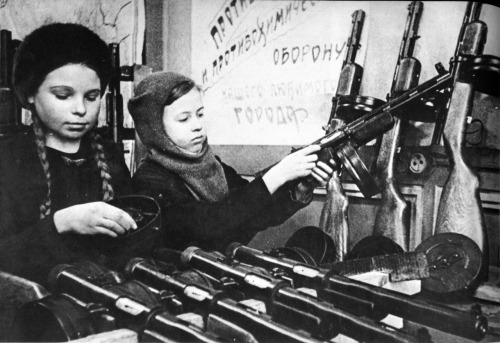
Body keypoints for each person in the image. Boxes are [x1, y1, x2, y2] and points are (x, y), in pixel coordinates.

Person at [128, 71, 334, 253]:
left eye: (200, 114)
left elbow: (256, 213)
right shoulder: (149, 180)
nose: (197, 126)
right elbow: (210, 225)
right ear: (154, 128)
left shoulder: (212, 165)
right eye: (184, 119)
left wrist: (300, 187)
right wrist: (278, 175)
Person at [0, 23, 137, 287]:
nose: (80, 109)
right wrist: (61, 223)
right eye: (63, 95)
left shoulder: (109, 154)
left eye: (92, 96)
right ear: (29, 94)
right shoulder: (8, 159)